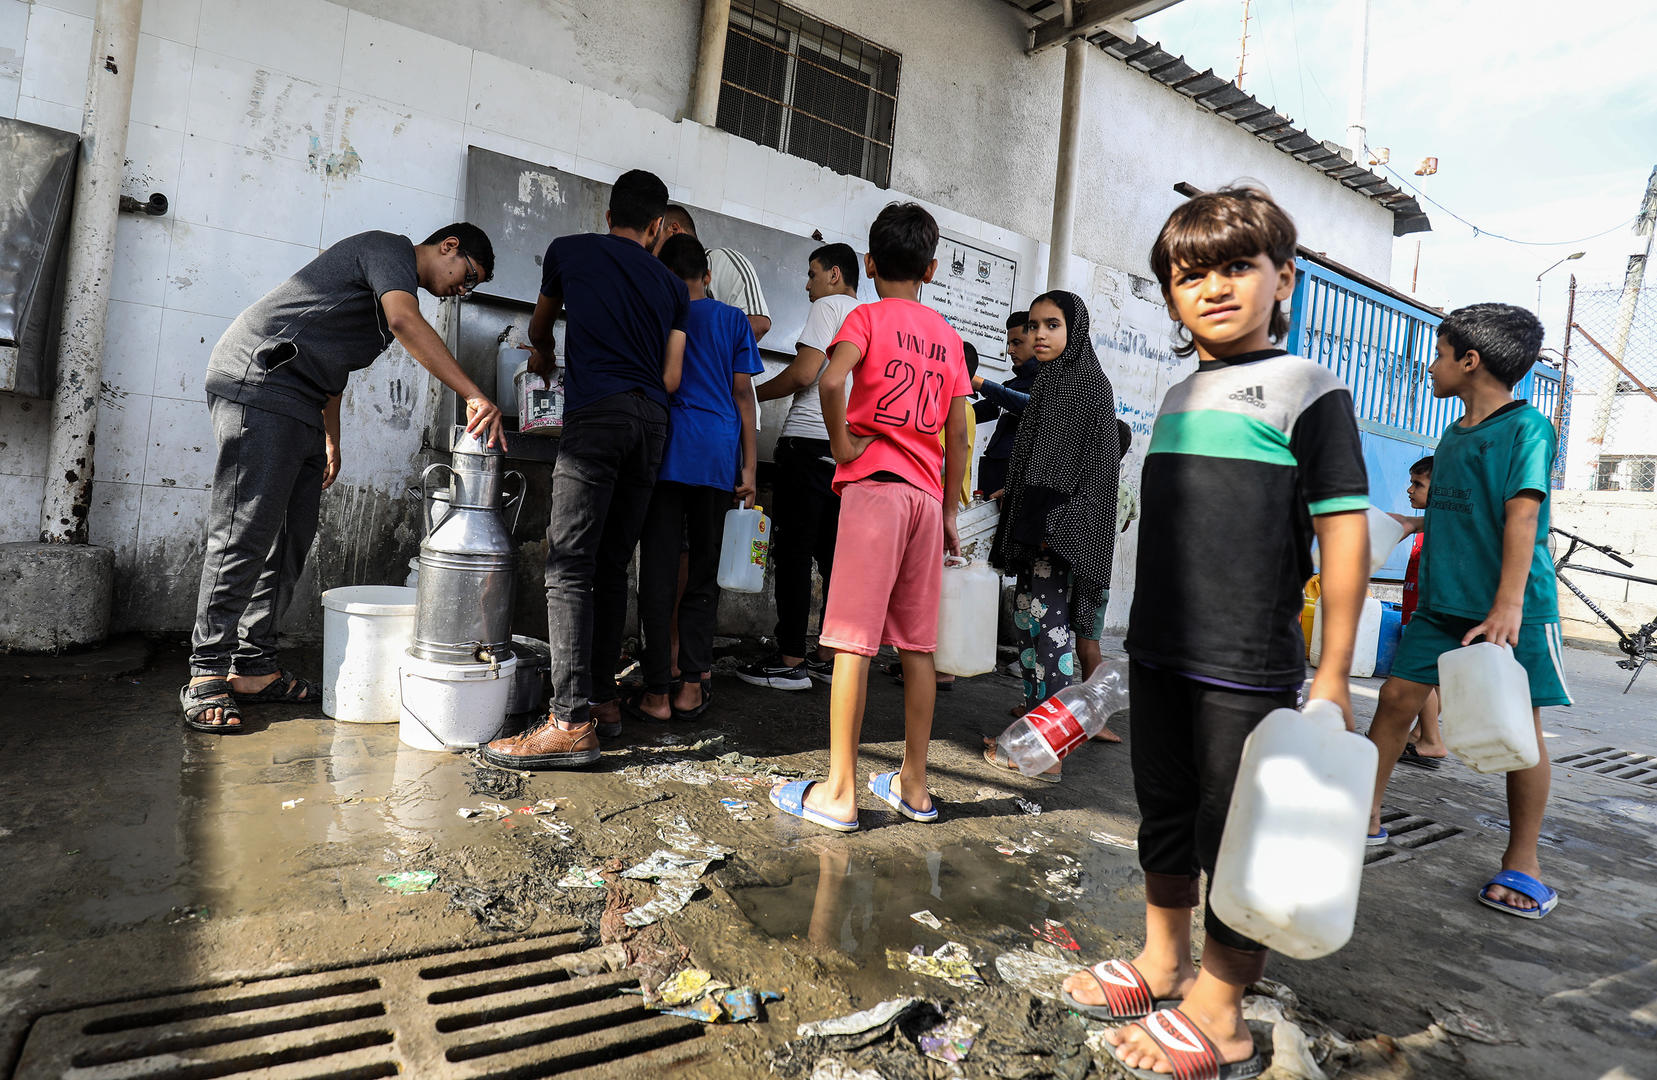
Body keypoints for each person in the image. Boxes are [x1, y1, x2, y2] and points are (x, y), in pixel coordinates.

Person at [1074, 188, 1370, 1079]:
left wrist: (1331, 674)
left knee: (1234, 834)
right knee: (1161, 813)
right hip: (1159, 648)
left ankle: (1222, 1008)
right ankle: (1163, 960)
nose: (1210, 288)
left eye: (1236, 267)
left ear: (1284, 277)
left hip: (1244, 666)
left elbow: (1342, 533)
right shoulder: (1174, 391)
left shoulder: (1310, 391)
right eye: (1188, 274)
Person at [182, 224, 504, 733]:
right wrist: (473, 393)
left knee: (290, 539)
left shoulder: (382, 294)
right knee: (245, 532)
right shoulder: (387, 249)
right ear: (449, 247)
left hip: (303, 402)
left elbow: (334, 364)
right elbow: (404, 321)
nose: (461, 289)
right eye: (468, 276)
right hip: (261, 383)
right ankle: (206, 673)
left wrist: (332, 437)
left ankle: (254, 666)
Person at [768, 202, 970, 832]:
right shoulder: (946, 336)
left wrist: (845, 444)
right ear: (932, 269)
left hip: (876, 489)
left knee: (853, 642)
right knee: (917, 646)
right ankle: (913, 786)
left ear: (872, 263)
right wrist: (950, 505)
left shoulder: (864, 315)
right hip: (926, 497)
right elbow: (959, 429)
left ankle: (839, 791)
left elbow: (831, 382)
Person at [1365, 304, 1567, 920]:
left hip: (1516, 609)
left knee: (1520, 732)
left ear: (1469, 361)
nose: (1430, 365)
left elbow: (1522, 516)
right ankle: (1364, 817)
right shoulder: (1453, 435)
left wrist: (1506, 606)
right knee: (1396, 701)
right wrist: (1409, 522)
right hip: (1444, 605)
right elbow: (1465, 509)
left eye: (1439, 352)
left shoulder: (1527, 429)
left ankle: (1523, 861)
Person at [482, 170, 687, 770]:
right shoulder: (673, 287)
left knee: (568, 565)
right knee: (611, 565)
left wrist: (543, 353)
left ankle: (568, 721)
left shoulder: (570, 251)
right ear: (656, 227)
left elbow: (541, 325)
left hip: (597, 416)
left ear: (608, 214)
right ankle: (600, 701)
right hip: (652, 424)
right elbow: (671, 372)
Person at [979, 290, 1120, 778]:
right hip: (1039, 526)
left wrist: (1046, 521)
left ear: (1074, 330)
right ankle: (1033, 732)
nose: (1040, 334)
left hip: (1061, 531)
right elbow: (1035, 462)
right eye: (1035, 325)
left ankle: (1050, 751)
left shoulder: (1082, 385)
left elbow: (1077, 472)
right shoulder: (1053, 381)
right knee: (1032, 627)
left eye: (1052, 325)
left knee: (1054, 634)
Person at [625, 235, 762, 723]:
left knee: (659, 574)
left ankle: (656, 694)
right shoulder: (731, 320)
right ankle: (690, 688)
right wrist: (748, 468)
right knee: (704, 573)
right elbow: (744, 395)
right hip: (716, 457)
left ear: (666, 277)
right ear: (706, 275)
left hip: (666, 453)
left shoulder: (661, 316)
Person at [738, 243, 862, 691]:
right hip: (843, 451)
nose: (807, 285)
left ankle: (790, 657)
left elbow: (804, 373)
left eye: (812, 274)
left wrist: (752, 395)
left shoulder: (830, 306)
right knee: (833, 557)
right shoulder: (867, 316)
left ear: (834, 274)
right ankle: (828, 655)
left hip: (807, 446)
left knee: (792, 553)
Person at [1394, 455, 1447, 769]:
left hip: (1424, 608)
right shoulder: (1429, 526)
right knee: (1435, 676)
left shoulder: (1438, 529)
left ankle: (1430, 739)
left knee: (1415, 670)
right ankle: (1420, 735)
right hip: (1422, 603)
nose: (1410, 490)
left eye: (1418, 484)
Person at [974, 311, 1039, 497]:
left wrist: (980, 384)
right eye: (1009, 344)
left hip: (1015, 480)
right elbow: (975, 413)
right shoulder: (1012, 385)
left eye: (1017, 343)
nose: (1010, 350)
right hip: (992, 473)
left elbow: (1029, 405)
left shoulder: (1049, 384)